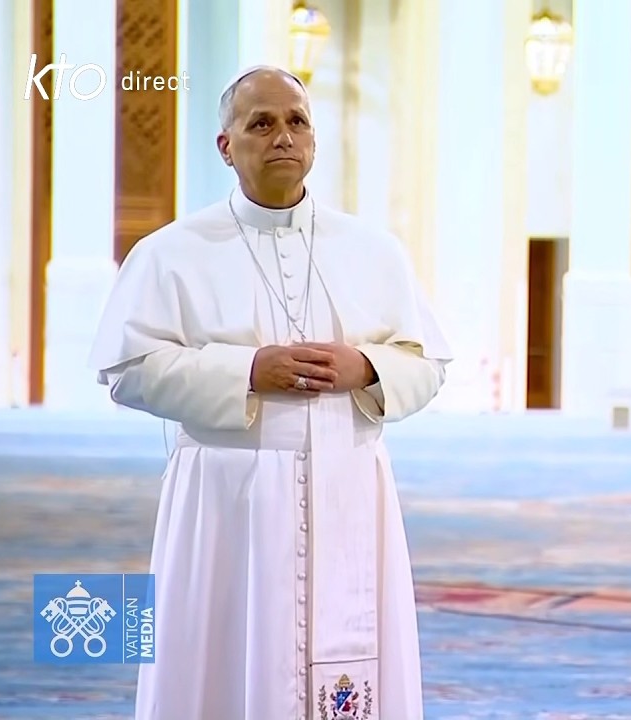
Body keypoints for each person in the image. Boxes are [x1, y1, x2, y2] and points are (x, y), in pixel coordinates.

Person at [87, 65, 451, 720]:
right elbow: (128, 371)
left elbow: (427, 366)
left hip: (350, 486)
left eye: (298, 121)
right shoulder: (171, 252)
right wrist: (247, 371)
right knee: (224, 663)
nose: (283, 136)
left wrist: (365, 366)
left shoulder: (374, 251)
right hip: (227, 498)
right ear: (226, 146)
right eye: (262, 122)